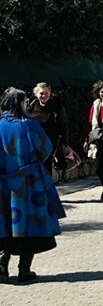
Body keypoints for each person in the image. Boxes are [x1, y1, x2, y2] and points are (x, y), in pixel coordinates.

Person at [0, 87, 66, 284]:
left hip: (3, 184)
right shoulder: (29, 124)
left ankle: (2, 265)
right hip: (28, 183)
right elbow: (45, 149)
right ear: (20, 103)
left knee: (5, 224)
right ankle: (24, 271)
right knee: (29, 225)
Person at [26, 83, 69, 177]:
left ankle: (47, 187)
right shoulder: (31, 105)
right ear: (36, 94)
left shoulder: (56, 106)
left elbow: (63, 125)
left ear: (50, 93)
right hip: (34, 141)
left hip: (50, 140)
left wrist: (64, 143)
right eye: (41, 93)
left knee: (46, 164)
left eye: (46, 93)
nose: (44, 96)